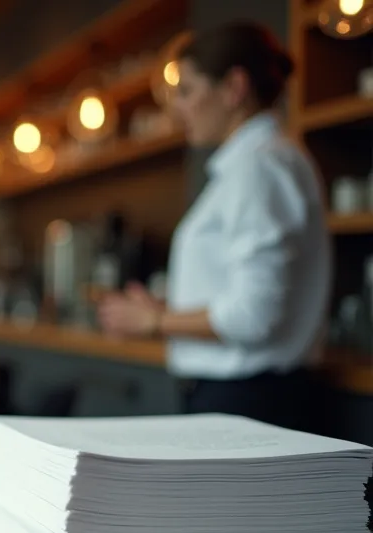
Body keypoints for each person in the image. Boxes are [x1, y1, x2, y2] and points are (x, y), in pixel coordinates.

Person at [99, 21, 330, 432]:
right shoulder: (255, 164)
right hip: (243, 396)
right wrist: (170, 314)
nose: (177, 108)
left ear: (233, 88)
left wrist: (156, 323)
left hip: (248, 401)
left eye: (187, 91)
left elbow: (253, 317)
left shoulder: (260, 168)